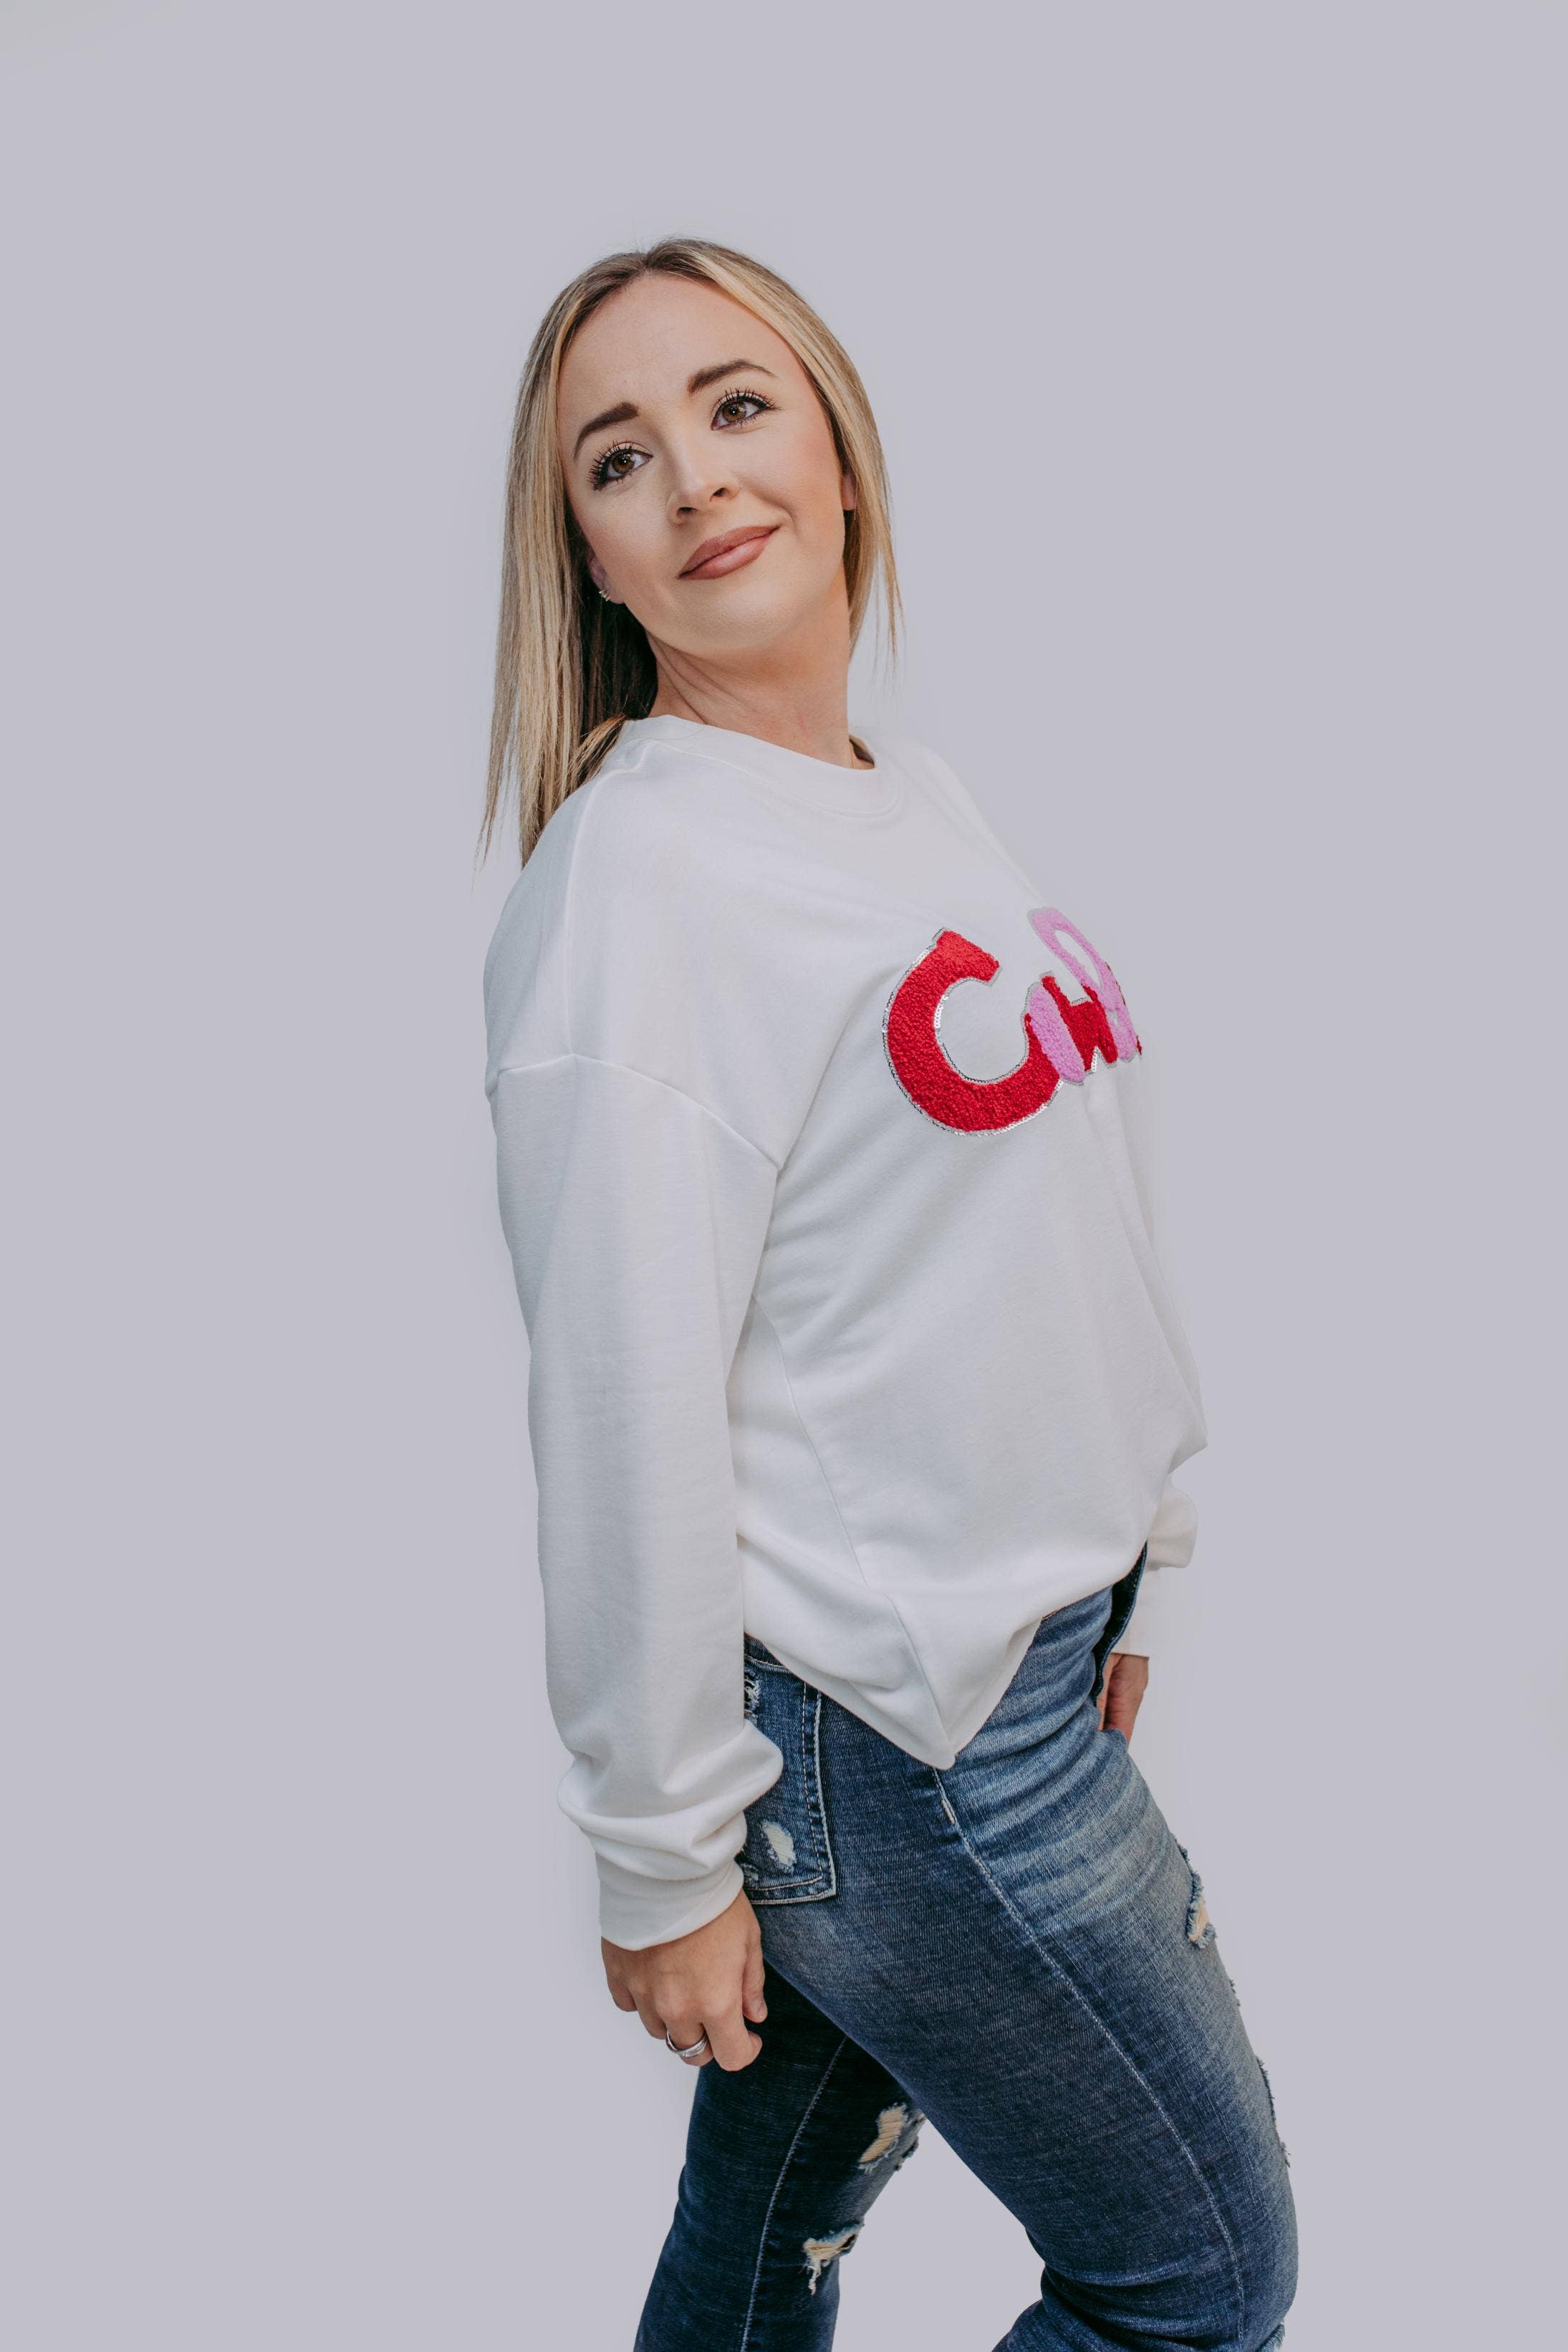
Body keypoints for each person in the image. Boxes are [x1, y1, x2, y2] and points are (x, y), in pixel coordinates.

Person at [478, 238, 1297, 2351]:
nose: (695, 476)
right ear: (591, 561)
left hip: (1005, 1658)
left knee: (766, 2251)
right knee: (1195, 2278)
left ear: (838, 451)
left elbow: (1050, 1215)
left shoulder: (897, 805)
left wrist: (1133, 1554)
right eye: (618, 456)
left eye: (737, 406)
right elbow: (624, 1400)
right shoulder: (642, 892)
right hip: (898, 1736)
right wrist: (663, 1859)